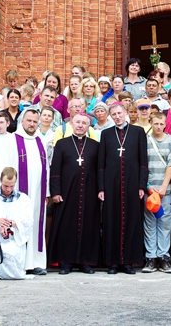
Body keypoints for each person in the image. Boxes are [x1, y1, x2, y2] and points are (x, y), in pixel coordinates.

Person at [98, 103, 149, 274]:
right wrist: (101, 187)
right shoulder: (106, 134)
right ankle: (112, 262)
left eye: (120, 113)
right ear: (110, 116)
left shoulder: (138, 132)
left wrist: (142, 185)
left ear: (126, 113)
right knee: (111, 221)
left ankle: (128, 261)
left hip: (132, 184)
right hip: (111, 185)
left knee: (131, 221)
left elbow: (143, 161)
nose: (117, 116)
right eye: (114, 114)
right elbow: (101, 164)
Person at [49, 114, 100, 274]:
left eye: (84, 123)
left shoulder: (94, 145)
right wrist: (55, 192)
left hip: (89, 192)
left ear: (88, 127)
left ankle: (86, 262)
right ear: (72, 124)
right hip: (67, 192)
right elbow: (55, 170)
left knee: (88, 226)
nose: (80, 125)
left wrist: (100, 190)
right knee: (66, 226)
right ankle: (66, 262)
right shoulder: (62, 144)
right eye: (77, 122)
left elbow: (99, 170)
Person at [5, 107, 50, 275]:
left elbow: (47, 168)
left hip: (38, 192)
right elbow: (7, 165)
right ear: (22, 121)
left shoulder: (41, 140)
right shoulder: (12, 140)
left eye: (34, 122)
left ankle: (36, 262)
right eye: (28, 121)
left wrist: (47, 192)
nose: (31, 124)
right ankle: (19, 262)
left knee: (37, 225)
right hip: (18, 192)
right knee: (18, 223)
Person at [142, 112, 171, 274]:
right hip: (150, 190)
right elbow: (142, 165)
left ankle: (163, 256)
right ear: (150, 123)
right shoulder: (145, 140)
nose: (158, 126)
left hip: (165, 190)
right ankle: (150, 257)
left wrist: (164, 186)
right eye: (155, 123)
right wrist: (147, 186)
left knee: (164, 223)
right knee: (149, 223)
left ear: (165, 124)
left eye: (161, 123)